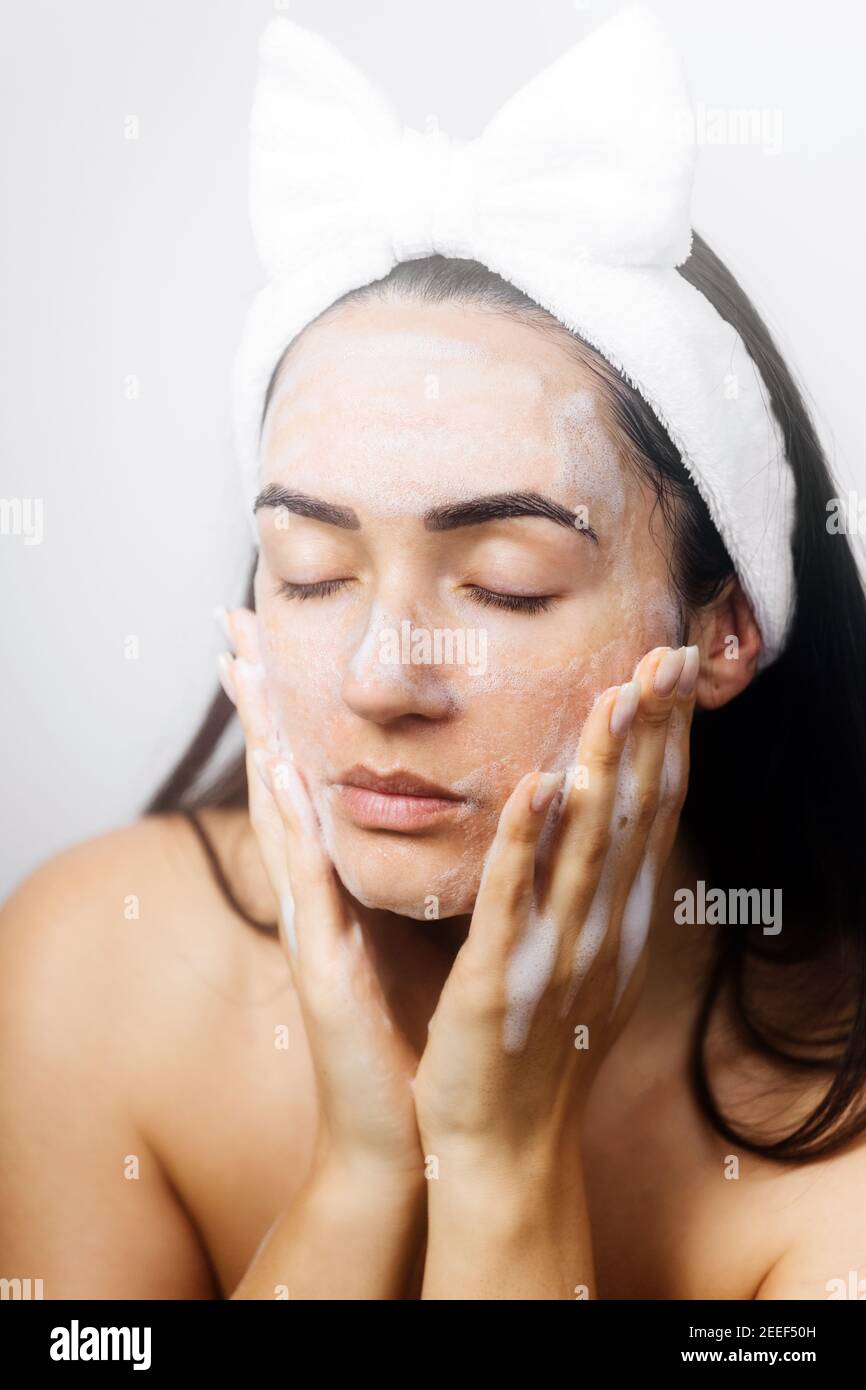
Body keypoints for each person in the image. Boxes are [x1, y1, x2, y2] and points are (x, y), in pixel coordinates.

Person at [2, 9, 865, 1300]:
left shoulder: (833, 1133)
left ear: (720, 626)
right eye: (311, 572)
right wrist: (358, 1169)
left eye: (505, 584)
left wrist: (502, 1167)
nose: (378, 676)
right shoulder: (94, 968)